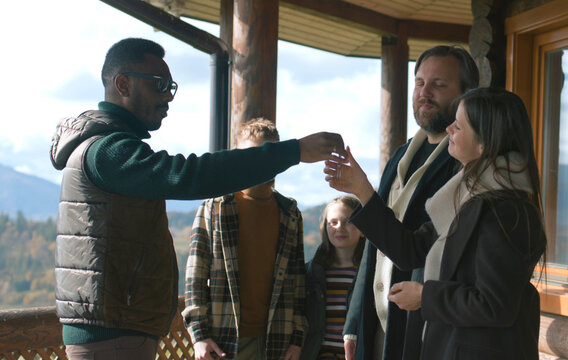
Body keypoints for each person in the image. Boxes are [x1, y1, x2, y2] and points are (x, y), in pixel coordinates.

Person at [49, 37, 345, 360]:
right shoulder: (107, 151)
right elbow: (190, 176)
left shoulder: (108, 148)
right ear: (122, 84)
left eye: (171, 87)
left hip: (118, 329)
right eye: (159, 84)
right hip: (113, 335)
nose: (167, 97)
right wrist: (295, 151)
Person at [326, 88, 547, 359]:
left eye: (459, 124)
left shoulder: (505, 210)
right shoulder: (464, 198)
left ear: (484, 143)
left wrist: (424, 297)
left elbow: (494, 305)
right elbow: (409, 250)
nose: (449, 128)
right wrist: (362, 191)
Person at [342, 45, 478, 360]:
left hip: (426, 332)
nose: (424, 93)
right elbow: (374, 246)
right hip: (376, 328)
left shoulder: (464, 165)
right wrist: (354, 321)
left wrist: (362, 191)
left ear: (466, 94)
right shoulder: (401, 156)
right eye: (419, 82)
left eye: (439, 85)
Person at [183, 118, 307, 360]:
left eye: (266, 153)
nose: (257, 161)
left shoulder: (289, 212)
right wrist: (199, 335)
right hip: (223, 340)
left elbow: (298, 281)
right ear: (236, 156)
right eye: (249, 154)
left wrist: (297, 338)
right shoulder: (214, 208)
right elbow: (195, 276)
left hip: (278, 340)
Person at [301, 196, 366, 360]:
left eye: (349, 221)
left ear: (363, 228)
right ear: (324, 228)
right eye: (333, 222)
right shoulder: (312, 273)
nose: (340, 227)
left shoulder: (371, 273)